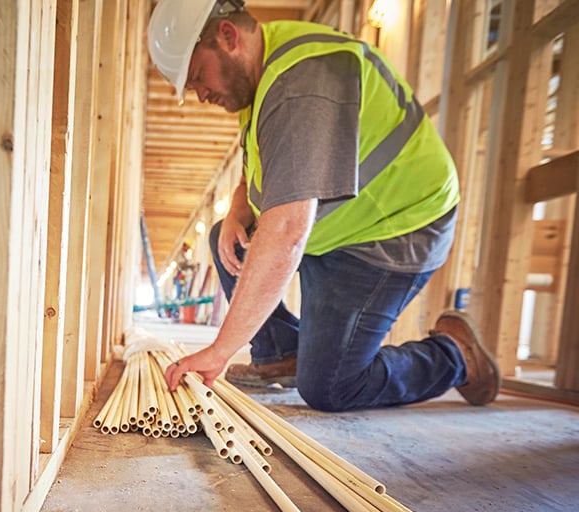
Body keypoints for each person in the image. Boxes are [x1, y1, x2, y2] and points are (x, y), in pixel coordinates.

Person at [148, 0, 501, 411]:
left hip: (395, 231)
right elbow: (259, 157)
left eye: (196, 77)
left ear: (227, 37)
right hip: (341, 231)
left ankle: (454, 355)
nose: (200, 94)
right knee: (228, 239)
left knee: (332, 387)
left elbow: (286, 231)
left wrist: (220, 350)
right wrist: (238, 209)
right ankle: (285, 353)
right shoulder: (262, 76)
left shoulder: (301, 82)